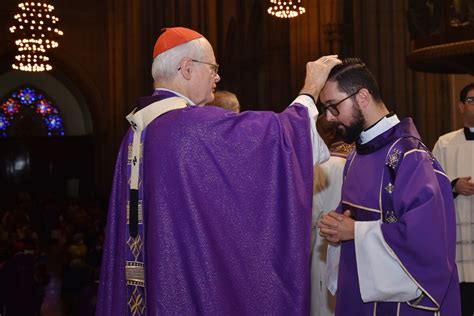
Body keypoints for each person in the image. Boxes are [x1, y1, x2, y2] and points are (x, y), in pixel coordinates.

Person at [96, 26, 341, 315]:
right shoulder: (188, 128)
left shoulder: (138, 131)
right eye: (213, 67)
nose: (217, 76)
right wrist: (310, 88)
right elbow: (281, 141)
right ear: (187, 68)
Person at [317, 58, 461, 315]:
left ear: (362, 97)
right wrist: (336, 225)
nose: (328, 117)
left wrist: (356, 232)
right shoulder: (355, 156)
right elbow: (352, 218)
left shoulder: (410, 157)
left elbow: (428, 241)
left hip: (396, 305)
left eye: (333, 106)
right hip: (358, 296)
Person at [432, 82, 474, 316]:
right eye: (471, 100)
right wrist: (454, 185)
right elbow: (430, 186)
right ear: (460, 106)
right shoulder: (444, 144)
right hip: (456, 239)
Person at [311, 114, 354, 316]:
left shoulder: (323, 166)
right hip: (357, 249)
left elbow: (310, 216)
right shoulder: (362, 161)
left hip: (326, 250)